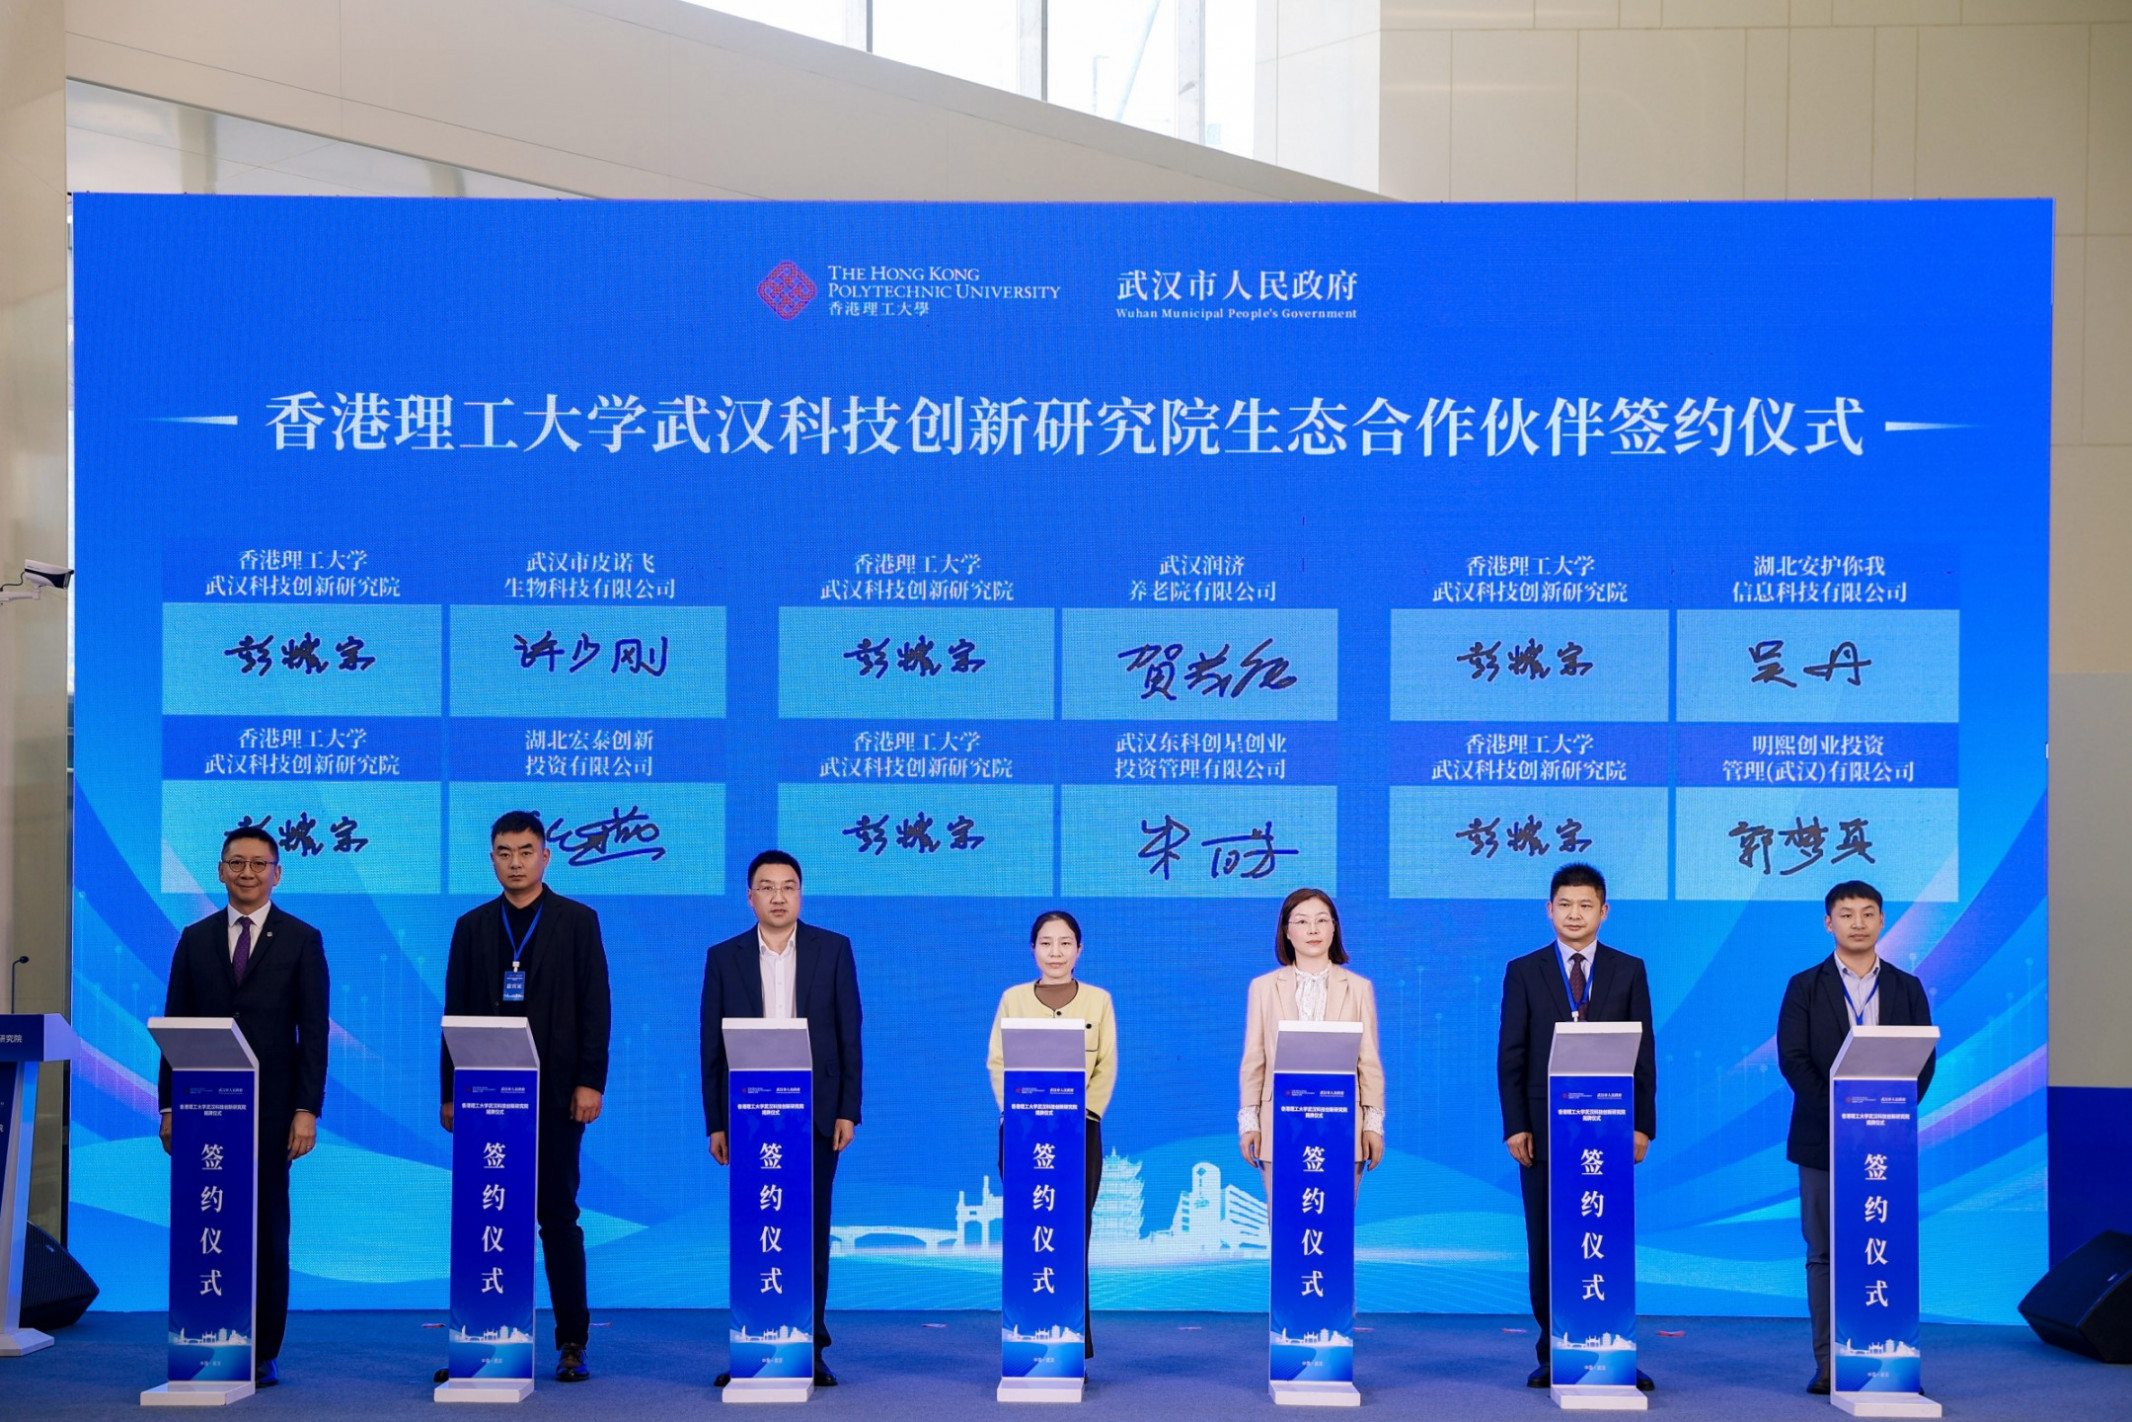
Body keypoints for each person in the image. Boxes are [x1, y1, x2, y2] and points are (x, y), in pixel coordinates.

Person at [439, 810, 612, 1384]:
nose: (515, 862)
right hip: (486, 1097)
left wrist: (591, 1081)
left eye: (525, 851)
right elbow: (454, 1013)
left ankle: (571, 1342)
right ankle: (482, 1338)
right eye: (504, 852)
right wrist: (450, 1092)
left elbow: (596, 1007)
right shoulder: (471, 926)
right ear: (491, 858)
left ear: (545, 856)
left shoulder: (576, 921)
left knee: (557, 1217)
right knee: (488, 1211)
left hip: (560, 1095)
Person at [157, 825, 330, 1389]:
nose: (248, 873)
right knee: (208, 1220)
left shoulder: (302, 939)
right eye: (237, 863)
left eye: (259, 864)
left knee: (267, 1229)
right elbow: (175, 1026)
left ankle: (263, 1348)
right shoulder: (195, 938)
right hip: (203, 1110)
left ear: (277, 873)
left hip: (274, 1112)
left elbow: (313, 1035)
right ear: (221, 871)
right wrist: (168, 1108)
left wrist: (307, 1110)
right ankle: (206, 1333)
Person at [702, 850, 863, 1389]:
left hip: (815, 1117)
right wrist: (715, 1122)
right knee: (757, 1232)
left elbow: (849, 1035)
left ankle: (809, 1346)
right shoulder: (723, 958)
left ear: (801, 894)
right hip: (749, 1123)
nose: (777, 896)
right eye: (766, 887)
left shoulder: (833, 950)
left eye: (788, 886)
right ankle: (752, 1343)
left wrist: (847, 1110)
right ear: (749, 896)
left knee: (811, 1233)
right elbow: (711, 1049)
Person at [1497, 862, 1656, 1392]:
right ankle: (1554, 1350)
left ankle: (1613, 1346)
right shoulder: (1524, 970)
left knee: (1605, 1237)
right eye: (1564, 904)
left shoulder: (1629, 969)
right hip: (1543, 1130)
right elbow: (1511, 1057)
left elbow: (1643, 1055)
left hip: (1610, 1130)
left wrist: (1642, 1126)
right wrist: (1516, 1124)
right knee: (1546, 1240)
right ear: (1549, 910)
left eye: (1585, 905)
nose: (1574, 914)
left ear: (1603, 912)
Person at [1777, 879, 1935, 1396]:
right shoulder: (1805, 986)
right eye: (1847, 914)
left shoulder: (1908, 987)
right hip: (1822, 1144)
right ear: (1829, 923)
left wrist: (1883, 1117)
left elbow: (1923, 1062)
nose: (1858, 923)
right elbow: (1794, 1062)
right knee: (1824, 1253)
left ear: (1882, 921)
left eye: (1868, 913)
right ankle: (1829, 1362)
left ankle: (1884, 1356)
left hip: (1886, 1146)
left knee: (1881, 1248)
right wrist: (1844, 1115)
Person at [986, 910, 1117, 1358]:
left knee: (1070, 1231)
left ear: (1079, 950)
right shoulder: (1013, 999)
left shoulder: (1098, 1000)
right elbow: (998, 1063)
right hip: (1023, 1136)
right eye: (1046, 942)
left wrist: (1084, 1115)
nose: (1055, 952)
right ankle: (1027, 1335)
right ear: (1033, 949)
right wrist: (1015, 1113)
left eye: (1065, 943)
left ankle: (1072, 1341)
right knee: (1030, 1229)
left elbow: (1106, 1067)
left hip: (1079, 1133)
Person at [1238, 888, 1386, 1182]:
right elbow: (1255, 1060)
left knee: (1335, 1221)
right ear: (1286, 932)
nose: (1313, 929)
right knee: (1285, 1224)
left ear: (1334, 928)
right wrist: (1249, 1122)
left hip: (1342, 1124)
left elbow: (1368, 1062)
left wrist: (1372, 1124)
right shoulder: (1263, 988)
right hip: (1279, 1124)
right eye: (1302, 922)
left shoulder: (1359, 988)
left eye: (1322, 920)